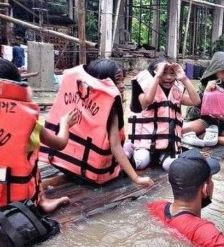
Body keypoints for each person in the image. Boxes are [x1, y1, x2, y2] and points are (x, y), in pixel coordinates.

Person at [39, 59, 154, 187]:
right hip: (96, 172)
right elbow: (115, 146)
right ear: (104, 81)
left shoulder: (78, 93)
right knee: (138, 155)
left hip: (67, 164)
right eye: (117, 81)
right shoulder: (111, 107)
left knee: (128, 147)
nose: (122, 85)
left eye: (122, 80)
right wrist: (137, 178)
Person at [0, 58, 78, 213]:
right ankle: (41, 200)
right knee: (30, 156)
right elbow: (60, 143)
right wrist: (65, 123)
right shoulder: (27, 121)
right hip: (18, 207)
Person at [124, 58, 201, 172]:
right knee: (141, 162)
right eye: (164, 73)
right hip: (144, 146)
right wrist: (157, 76)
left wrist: (184, 79)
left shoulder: (176, 93)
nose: (169, 77)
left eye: (172, 73)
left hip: (167, 147)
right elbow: (147, 101)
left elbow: (196, 101)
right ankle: (128, 150)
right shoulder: (143, 89)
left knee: (171, 166)